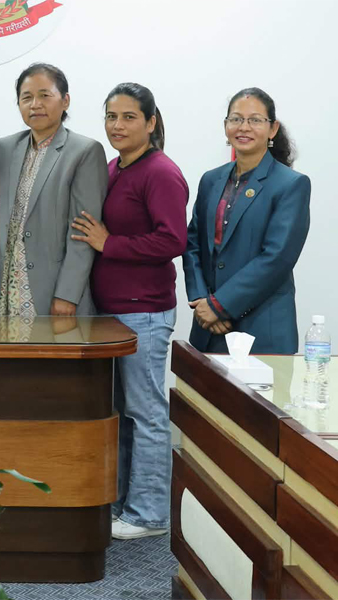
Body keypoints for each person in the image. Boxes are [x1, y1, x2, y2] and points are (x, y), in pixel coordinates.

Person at [70, 83, 188, 540]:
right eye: (111, 116)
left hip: (145, 313)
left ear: (151, 122)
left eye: (128, 117)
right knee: (121, 413)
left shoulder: (160, 172)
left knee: (146, 412)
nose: (117, 125)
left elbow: (172, 240)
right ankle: (123, 503)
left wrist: (109, 243)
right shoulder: (114, 167)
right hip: (111, 312)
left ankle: (150, 514)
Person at [182, 88, 310, 354]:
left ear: (273, 129)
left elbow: (277, 258)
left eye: (255, 120)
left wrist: (220, 305)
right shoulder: (211, 180)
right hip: (209, 328)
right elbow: (192, 242)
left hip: (262, 330)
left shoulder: (290, 185)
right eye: (236, 119)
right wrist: (202, 300)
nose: (244, 127)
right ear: (226, 126)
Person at [0, 63, 107, 319]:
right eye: (26, 97)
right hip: (2, 291)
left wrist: (67, 294)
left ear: (65, 101)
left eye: (44, 95)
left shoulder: (84, 151)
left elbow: (83, 232)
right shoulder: (4, 149)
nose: (35, 104)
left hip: (52, 293)